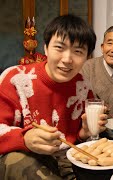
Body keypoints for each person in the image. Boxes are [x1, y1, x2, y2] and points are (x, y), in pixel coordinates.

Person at [0, 14, 107, 179]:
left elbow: (74, 139)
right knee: (17, 159)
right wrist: (24, 139)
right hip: (27, 158)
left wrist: (84, 132)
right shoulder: (15, 79)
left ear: (87, 57)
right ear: (45, 48)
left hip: (67, 160)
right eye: (59, 47)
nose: (67, 59)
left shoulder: (83, 86)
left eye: (78, 51)